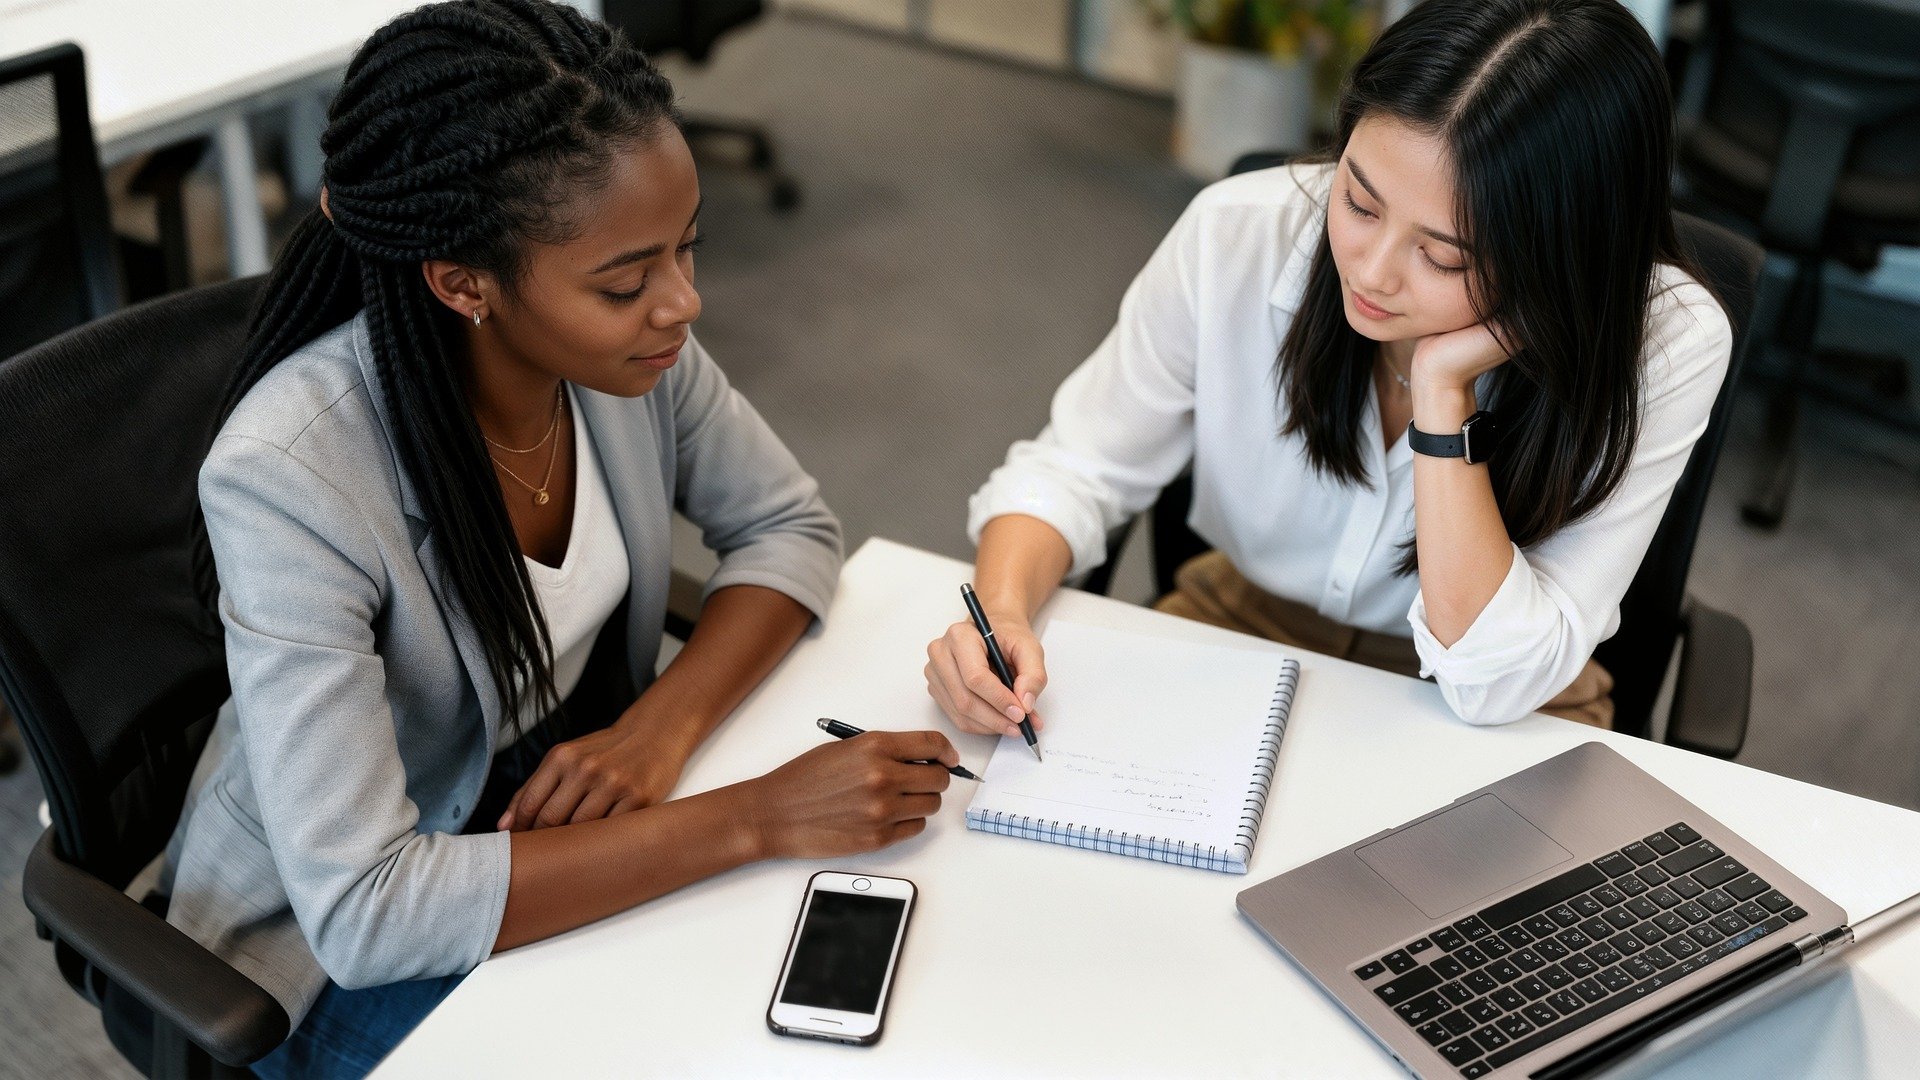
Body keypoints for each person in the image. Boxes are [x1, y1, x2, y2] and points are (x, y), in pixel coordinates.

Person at [162, 3, 956, 1075]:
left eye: (687, 248)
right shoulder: (292, 478)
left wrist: (657, 733)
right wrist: (755, 819)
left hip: (560, 797)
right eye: (627, 281)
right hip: (332, 950)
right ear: (461, 283)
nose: (683, 301)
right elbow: (366, 912)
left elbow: (787, 526)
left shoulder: (628, 356)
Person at [925, 0, 1731, 736]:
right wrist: (999, 616)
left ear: (1562, 256)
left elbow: (1498, 683)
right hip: (1244, 627)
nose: (1372, 272)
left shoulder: (1666, 340)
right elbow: (1079, 466)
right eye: (1360, 201)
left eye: (1443, 256)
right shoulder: (1240, 233)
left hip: (1511, 703)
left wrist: (1444, 400)